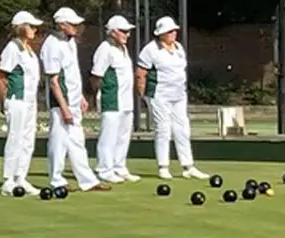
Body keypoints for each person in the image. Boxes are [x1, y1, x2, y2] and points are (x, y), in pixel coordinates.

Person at [41, 7, 109, 194]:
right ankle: (56, 180)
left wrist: (79, 97)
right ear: (62, 25)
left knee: (77, 140)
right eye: (73, 24)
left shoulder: (70, 42)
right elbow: (54, 81)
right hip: (60, 102)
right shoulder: (51, 45)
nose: (77, 28)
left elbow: (71, 73)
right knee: (58, 139)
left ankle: (87, 180)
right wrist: (64, 108)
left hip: (72, 99)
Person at [138, 16, 208, 181]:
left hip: (178, 95)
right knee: (163, 129)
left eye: (174, 30)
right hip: (159, 94)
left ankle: (188, 166)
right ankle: (163, 166)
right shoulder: (151, 49)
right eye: (169, 31)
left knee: (182, 129)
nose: (173, 33)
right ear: (161, 33)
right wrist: (143, 95)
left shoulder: (178, 48)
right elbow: (141, 73)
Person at [89, 16, 141, 183]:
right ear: (112, 32)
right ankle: (104, 169)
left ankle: (119, 166)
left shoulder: (123, 49)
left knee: (123, 135)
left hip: (126, 101)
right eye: (123, 31)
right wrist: (101, 95)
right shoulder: (105, 49)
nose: (127, 34)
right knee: (108, 136)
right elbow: (96, 77)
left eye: (128, 31)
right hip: (111, 100)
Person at [0, 11, 43, 197]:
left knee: (28, 141)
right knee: (15, 139)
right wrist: (5, 102)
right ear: (21, 27)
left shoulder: (29, 49)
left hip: (30, 101)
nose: (34, 29)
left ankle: (21, 177)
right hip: (17, 100)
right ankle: (8, 180)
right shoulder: (12, 48)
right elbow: (1, 78)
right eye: (31, 26)